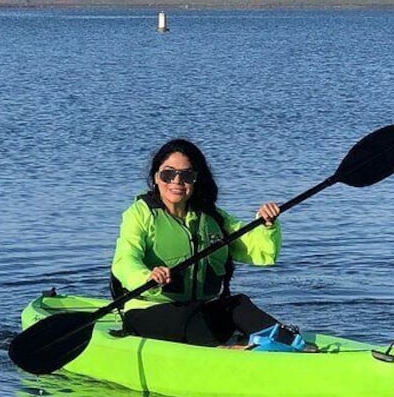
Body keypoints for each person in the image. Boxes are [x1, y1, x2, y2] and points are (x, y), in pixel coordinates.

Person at [111, 138, 299, 348]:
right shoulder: (139, 214)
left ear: (196, 180)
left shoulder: (212, 218)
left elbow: (261, 252)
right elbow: (124, 261)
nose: (176, 181)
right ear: (156, 177)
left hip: (198, 314)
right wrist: (147, 276)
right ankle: (226, 353)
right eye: (168, 174)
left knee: (238, 304)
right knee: (190, 318)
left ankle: (293, 345)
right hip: (148, 312)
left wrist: (267, 225)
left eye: (187, 175)